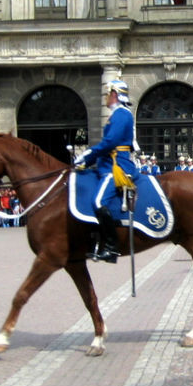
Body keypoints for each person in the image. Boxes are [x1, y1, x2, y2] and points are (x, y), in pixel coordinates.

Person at [73, 79, 138, 263]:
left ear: (115, 94)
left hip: (117, 167)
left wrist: (88, 154)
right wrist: (88, 161)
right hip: (107, 164)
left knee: (99, 200)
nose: (106, 98)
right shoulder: (116, 115)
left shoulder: (121, 115)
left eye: (107, 94)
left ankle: (112, 247)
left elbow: (110, 143)